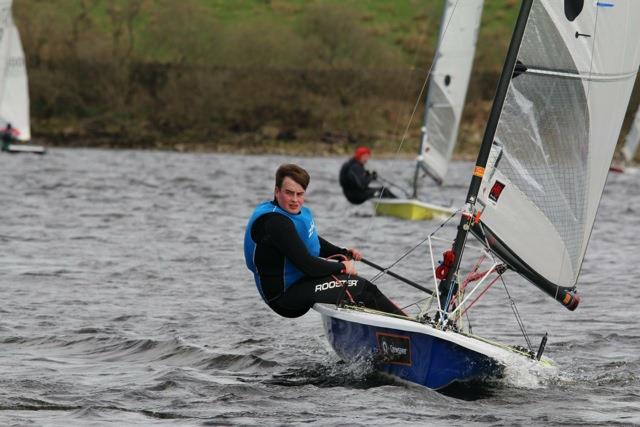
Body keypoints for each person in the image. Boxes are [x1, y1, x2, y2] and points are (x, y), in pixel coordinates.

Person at [244, 163, 405, 318]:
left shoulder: (286, 213)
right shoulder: (275, 222)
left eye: (299, 194)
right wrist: (342, 266)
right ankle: (410, 328)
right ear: (277, 191)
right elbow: (308, 266)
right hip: (284, 297)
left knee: (355, 287)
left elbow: (312, 241)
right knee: (363, 287)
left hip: (299, 283)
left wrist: (342, 252)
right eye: (289, 193)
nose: (294, 200)